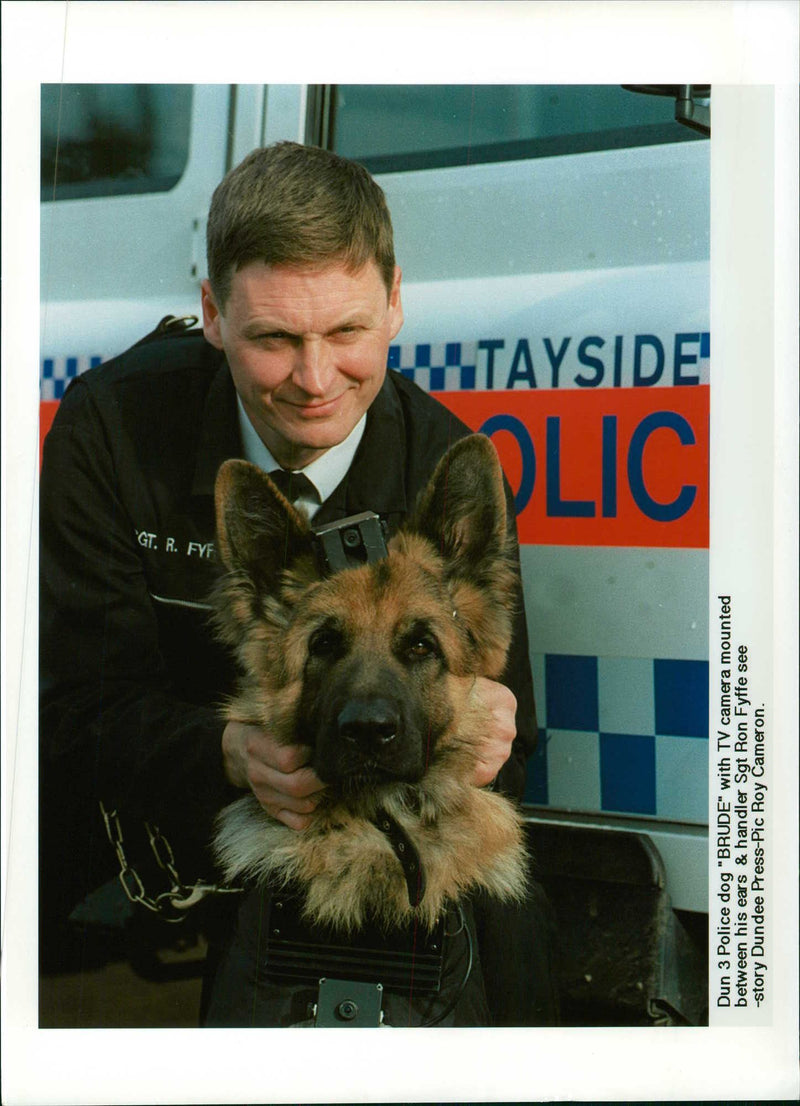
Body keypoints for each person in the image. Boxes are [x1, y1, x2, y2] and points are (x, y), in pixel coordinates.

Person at [39, 141, 558, 1026]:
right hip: (143, 816)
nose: (317, 382)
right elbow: (71, 706)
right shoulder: (113, 428)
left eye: (348, 333)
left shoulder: (442, 458)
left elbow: (513, 722)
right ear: (210, 313)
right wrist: (231, 754)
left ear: (395, 302)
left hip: (330, 836)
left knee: (516, 936)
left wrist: (492, 726)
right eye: (275, 338)